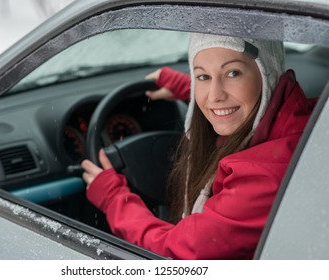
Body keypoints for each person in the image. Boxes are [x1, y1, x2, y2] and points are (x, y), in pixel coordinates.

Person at [80, 33, 315, 259]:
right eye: (203, 77)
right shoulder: (306, 119)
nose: (213, 96)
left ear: (267, 75)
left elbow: (178, 255)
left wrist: (113, 198)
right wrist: (188, 90)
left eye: (233, 73)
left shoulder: (265, 175)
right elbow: (232, 99)